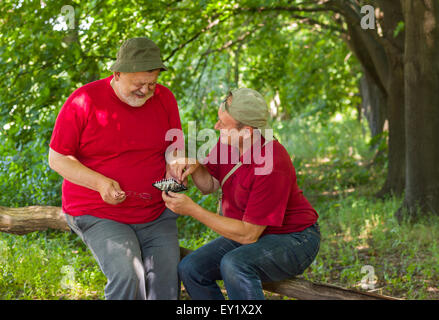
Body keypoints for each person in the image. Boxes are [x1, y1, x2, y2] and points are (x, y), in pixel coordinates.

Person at [48, 37, 183, 300]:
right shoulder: (84, 100)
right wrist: (100, 183)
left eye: (152, 83)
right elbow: (58, 158)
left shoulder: (165, 98)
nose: (146, 91)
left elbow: (174, 147)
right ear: (117, 73)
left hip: (155, 212)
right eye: (139, 84)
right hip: (99, 212)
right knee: (128, 276)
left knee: (166, 285)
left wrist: (175, 164)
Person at [163, 88, 320, 300]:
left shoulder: (272, 161)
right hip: (254, 233)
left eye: (223, 124)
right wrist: (196, 166)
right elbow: (209, 185)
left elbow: (248, 234)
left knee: (235, 264)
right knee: (191, 268)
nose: (216, 127)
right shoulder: (228, 143)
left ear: (246, 131)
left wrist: (192, 209)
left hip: (295, 239)